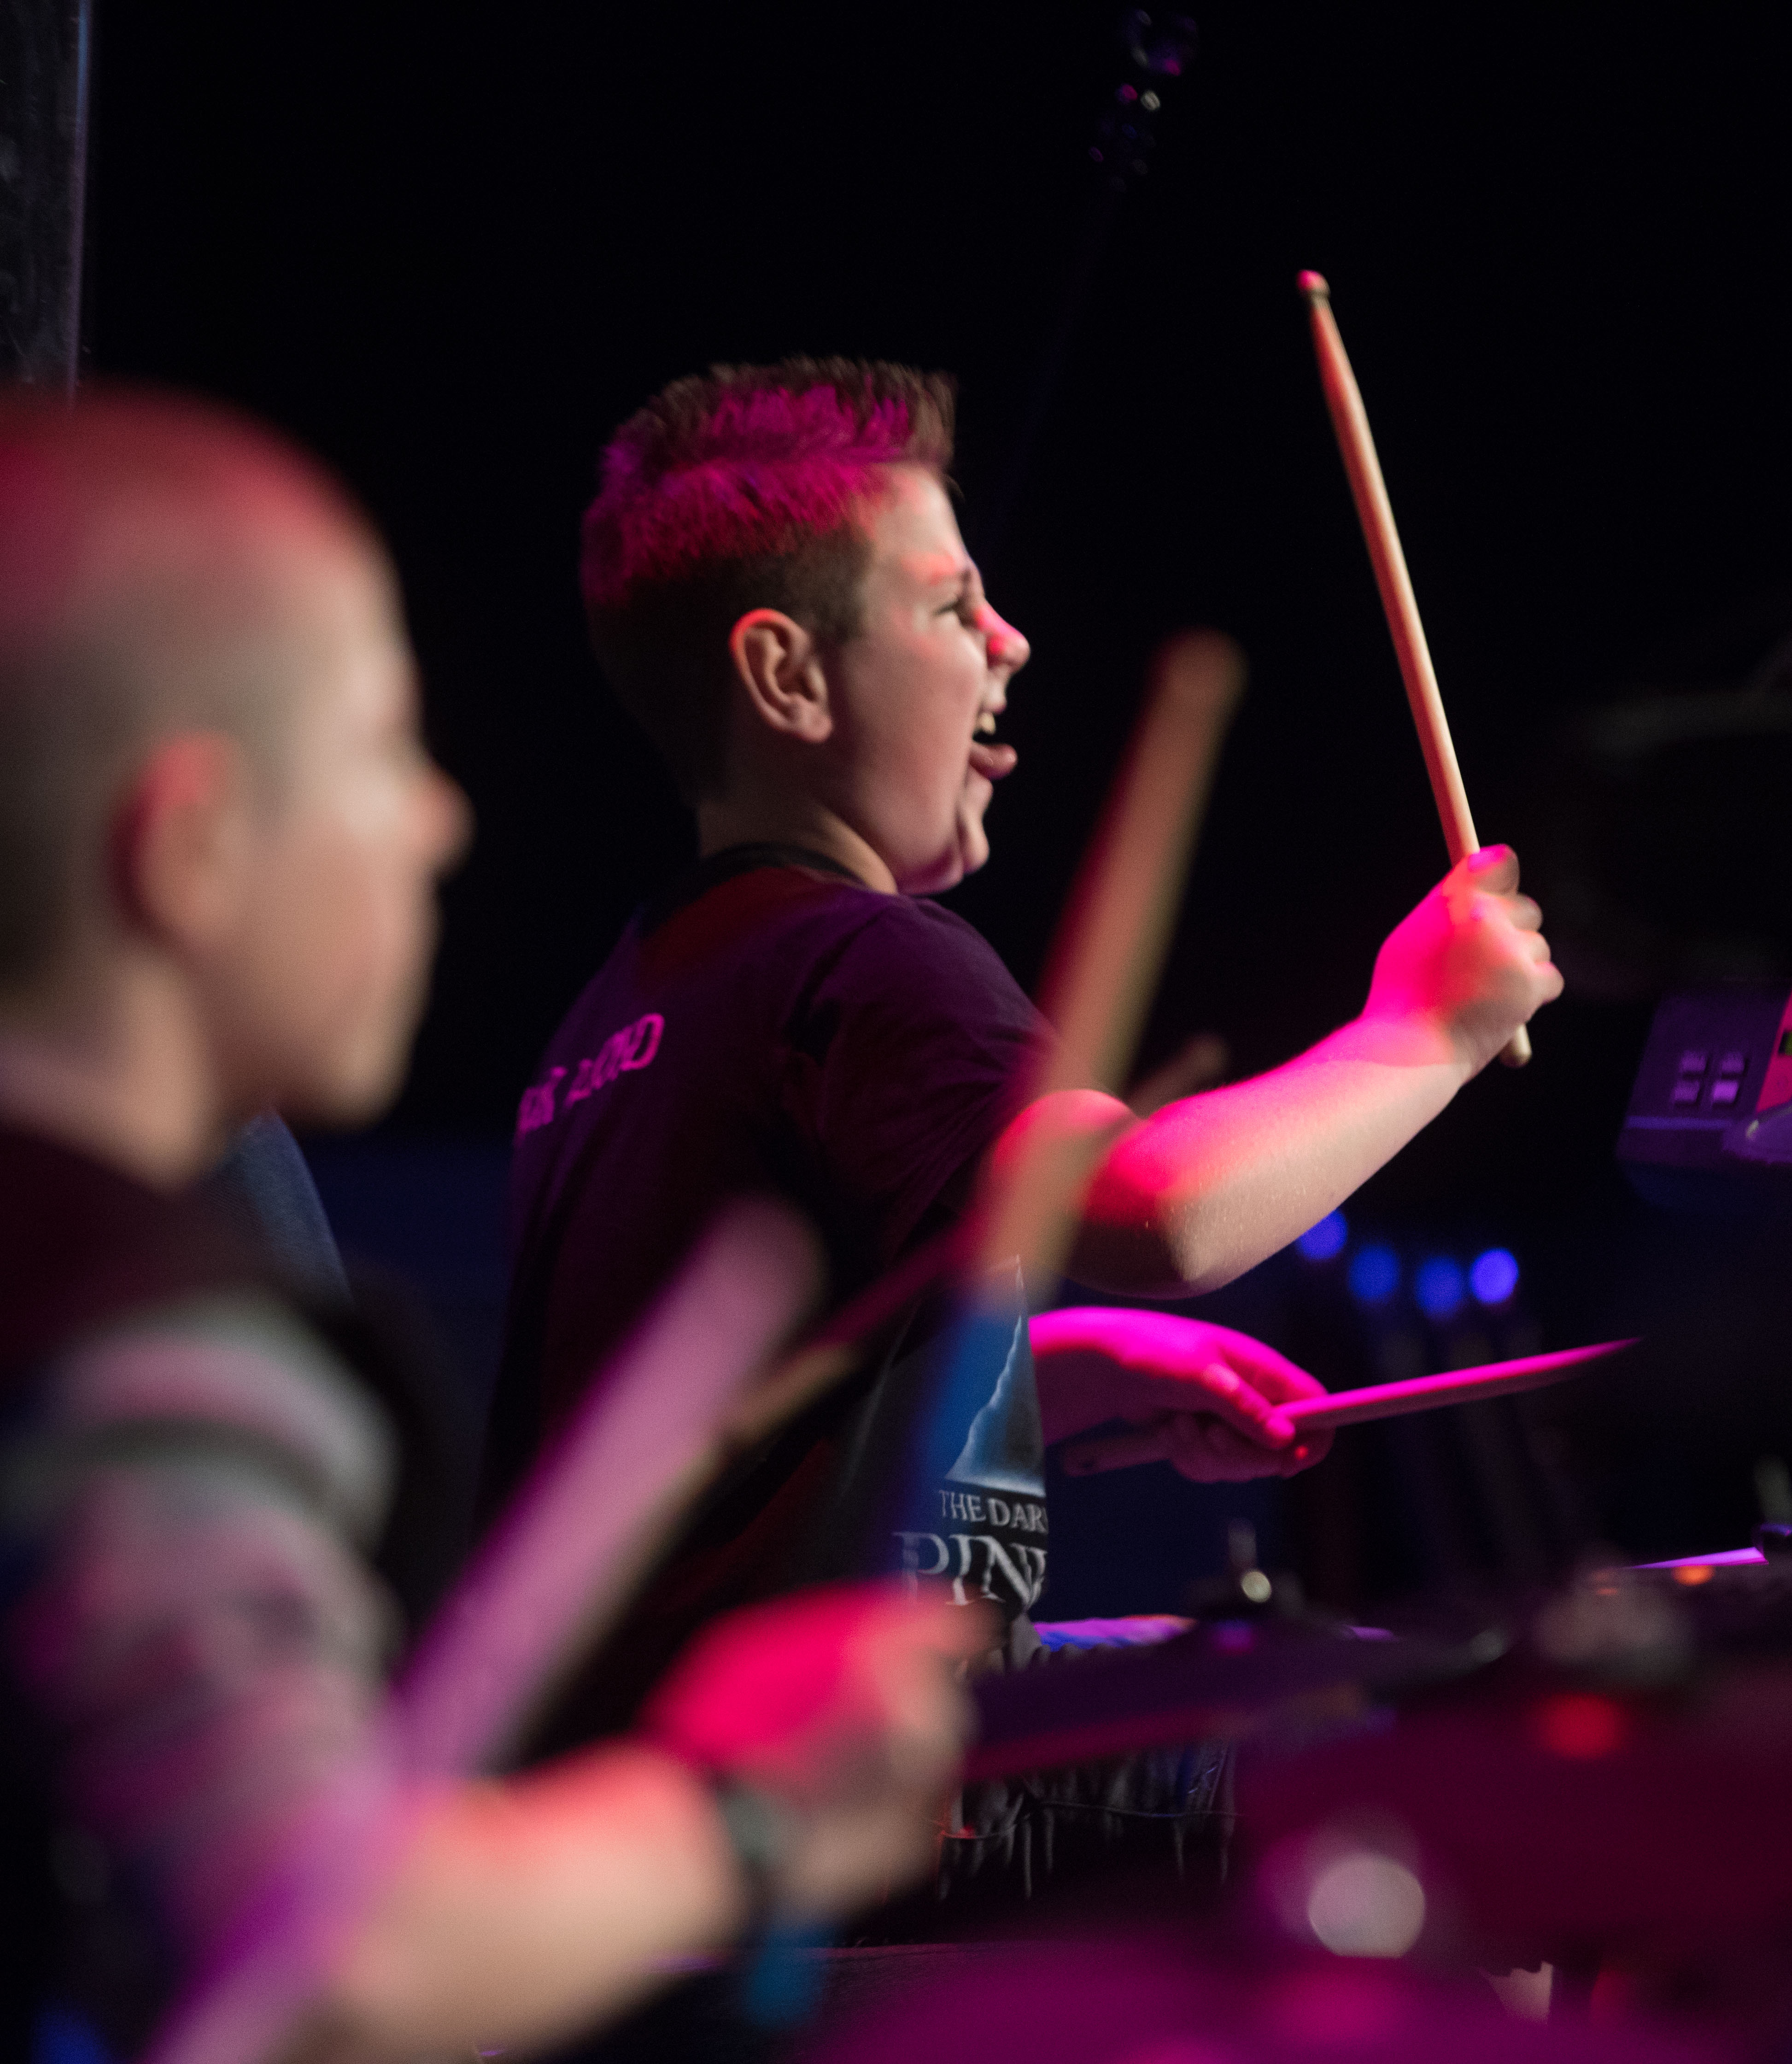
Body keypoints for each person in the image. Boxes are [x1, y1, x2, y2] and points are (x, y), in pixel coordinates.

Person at [0, 389, 978, 2063]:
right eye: (382, 750)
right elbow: (320, 1953)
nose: (442, 820)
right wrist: (742, 1813)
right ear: (190, 846)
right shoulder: (114, 1348)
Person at [493, 359, 1560, 1781]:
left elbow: (754, 1441)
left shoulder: (625, 1016)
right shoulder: (867, 961)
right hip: (823, 1857)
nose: (1012, 641)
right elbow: (1156, 1212)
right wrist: (1426, 1031)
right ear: (788, 676)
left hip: (641, 1827)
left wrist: (1058, 1374)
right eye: (950, 607)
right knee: (1475, 1785)